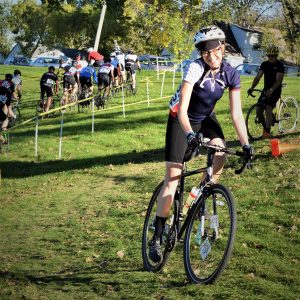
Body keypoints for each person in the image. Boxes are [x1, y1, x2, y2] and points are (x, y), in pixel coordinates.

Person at [148, 25, 254, 263]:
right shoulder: (195, 68)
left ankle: (204, 191)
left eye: (215, 50)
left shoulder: (230, 74)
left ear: (223, 48)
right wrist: (189, 135)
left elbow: (236, 115)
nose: (211, 55)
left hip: (205, 119)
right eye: (205, 51)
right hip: (180, 120)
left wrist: (246, 145)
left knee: (220, 152)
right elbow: (183, 110)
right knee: (173, 179)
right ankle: (156, 235)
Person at [247, 45, 284, 138]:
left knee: (268, 109)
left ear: (276, 56)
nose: (270, 58)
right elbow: (258, 77)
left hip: (275, 90)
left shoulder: (280, 65)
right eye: (269, 56)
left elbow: (278, 80)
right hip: (266, 90)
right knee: (258, 111)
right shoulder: (264, 64)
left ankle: (267, 132)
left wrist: (272, 90)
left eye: (273, 56)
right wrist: (251, 88)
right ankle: (266, 127)